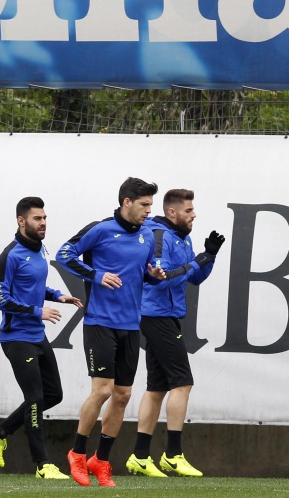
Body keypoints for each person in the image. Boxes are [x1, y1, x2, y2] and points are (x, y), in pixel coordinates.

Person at [57, 177, 166, 487]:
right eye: (144, 205)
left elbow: (146, 272)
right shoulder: (101, 229)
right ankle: (78, 453)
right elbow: (65, 254)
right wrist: (97, 275)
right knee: (103, 390)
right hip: (100, 322)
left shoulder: (147, 236)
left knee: (122, 395)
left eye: (151, 205)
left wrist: (154, 275)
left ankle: (101, 460)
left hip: (130, 326)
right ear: (126, 202)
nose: (148, 210)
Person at [126, 189, 223, 478]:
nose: (194, 215)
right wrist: (197, 261)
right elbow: (162, 278)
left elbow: (194, 278)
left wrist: (210, 256)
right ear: (172, 213)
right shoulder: (160, 236)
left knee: (157, 387)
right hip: (156, 316)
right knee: (182, 382)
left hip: (165, 315)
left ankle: (139, 457)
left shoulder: (183, 237)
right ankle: (172, 455)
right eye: (189, 211)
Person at [0, 197, 81, 479]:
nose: (43, 223)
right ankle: (43, 465)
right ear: (21, 221)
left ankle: (0, 432)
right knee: (35, 398)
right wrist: (37, 311)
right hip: (16, 338)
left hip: (37, 336)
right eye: (37, 218)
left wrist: (57, 295)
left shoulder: (39, 250)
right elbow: (0, 299)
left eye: (45, 218)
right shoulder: (9, 256)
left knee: (53, 395)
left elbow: (33, 285)